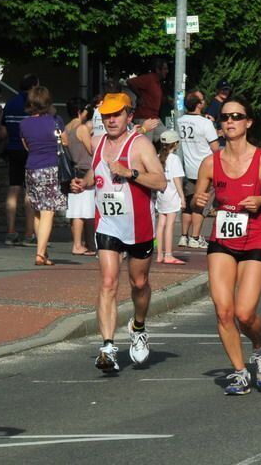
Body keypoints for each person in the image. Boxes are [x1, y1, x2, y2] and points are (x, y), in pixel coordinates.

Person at [193, 96, 261, 394]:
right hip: (222, 240)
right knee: (224, 311)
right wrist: (197, 203)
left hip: (254, 239)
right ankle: (238, 372)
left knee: (245, 314)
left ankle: (259, 348)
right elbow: (199, 201)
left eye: (237, 116)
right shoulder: (210, 163)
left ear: (248, 122)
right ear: (220, 126)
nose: (230, 121)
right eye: (225, 117)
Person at [70, 92, 167, 372]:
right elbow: (94, 172)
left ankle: (138, 327)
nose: (111, 120)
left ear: (129, 116)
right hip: (107, 224)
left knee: (139, 283)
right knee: (108, 282)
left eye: (116, 114)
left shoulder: (140, 146)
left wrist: (131, 173)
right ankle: (108, 347)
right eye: (106, 116)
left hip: (139, 226)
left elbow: (160, 181)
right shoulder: (99, 143)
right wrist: (84, 184)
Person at [19, 86, 68, 267]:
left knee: (38, 211)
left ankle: (42, 251)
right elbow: (65, 141)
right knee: (49, 211)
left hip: (32, 167)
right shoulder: (56, 121)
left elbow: (26, 146)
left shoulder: (24, 124)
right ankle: (40, 253)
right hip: (51, 167)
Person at [178, 91, 219, 249]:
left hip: (187, 168)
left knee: (188, 203)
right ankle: (195, 237)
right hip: (205, 169)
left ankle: (184, 236)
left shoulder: (180, 120)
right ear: (199, 104)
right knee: (200, 204)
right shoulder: (205, 123)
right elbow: (215, 147)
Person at [1, 73, 38, 246]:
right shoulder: (33, 105)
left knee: (13, 189)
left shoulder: (9, 104)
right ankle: (29, 233)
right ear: (33, 87)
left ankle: (10, 231)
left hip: (13, 149)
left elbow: (3, 130)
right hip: (30, 150)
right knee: (29, 191)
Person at [63, 98, 96, 256]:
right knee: (81, 211)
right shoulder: (81, 128)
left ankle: (88, 244)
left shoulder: (66, 128)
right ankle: (77, 245)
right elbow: (91, 150)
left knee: (80, 209)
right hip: (86, 169)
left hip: (74, 169)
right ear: (79, 111)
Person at [154, 130, 186, 265]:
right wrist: (182, 197)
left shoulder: (158, 156)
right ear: (176, 144)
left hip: (161, 194)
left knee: (161, 224)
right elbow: (177, 180)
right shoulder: (174, 159)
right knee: (170, 225)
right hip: (172, 194)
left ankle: (159, 254)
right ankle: (168, 254)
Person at [126, 58, 169, 142]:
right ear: (157, 70)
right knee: (145, 145)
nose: (167, 71)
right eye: (164, 69)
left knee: (169, 140)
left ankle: (162, 155)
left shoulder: (157, 82)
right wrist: (139, 96)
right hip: (144, 118)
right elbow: (130, 82)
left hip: (154, 118)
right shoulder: (149, 79)